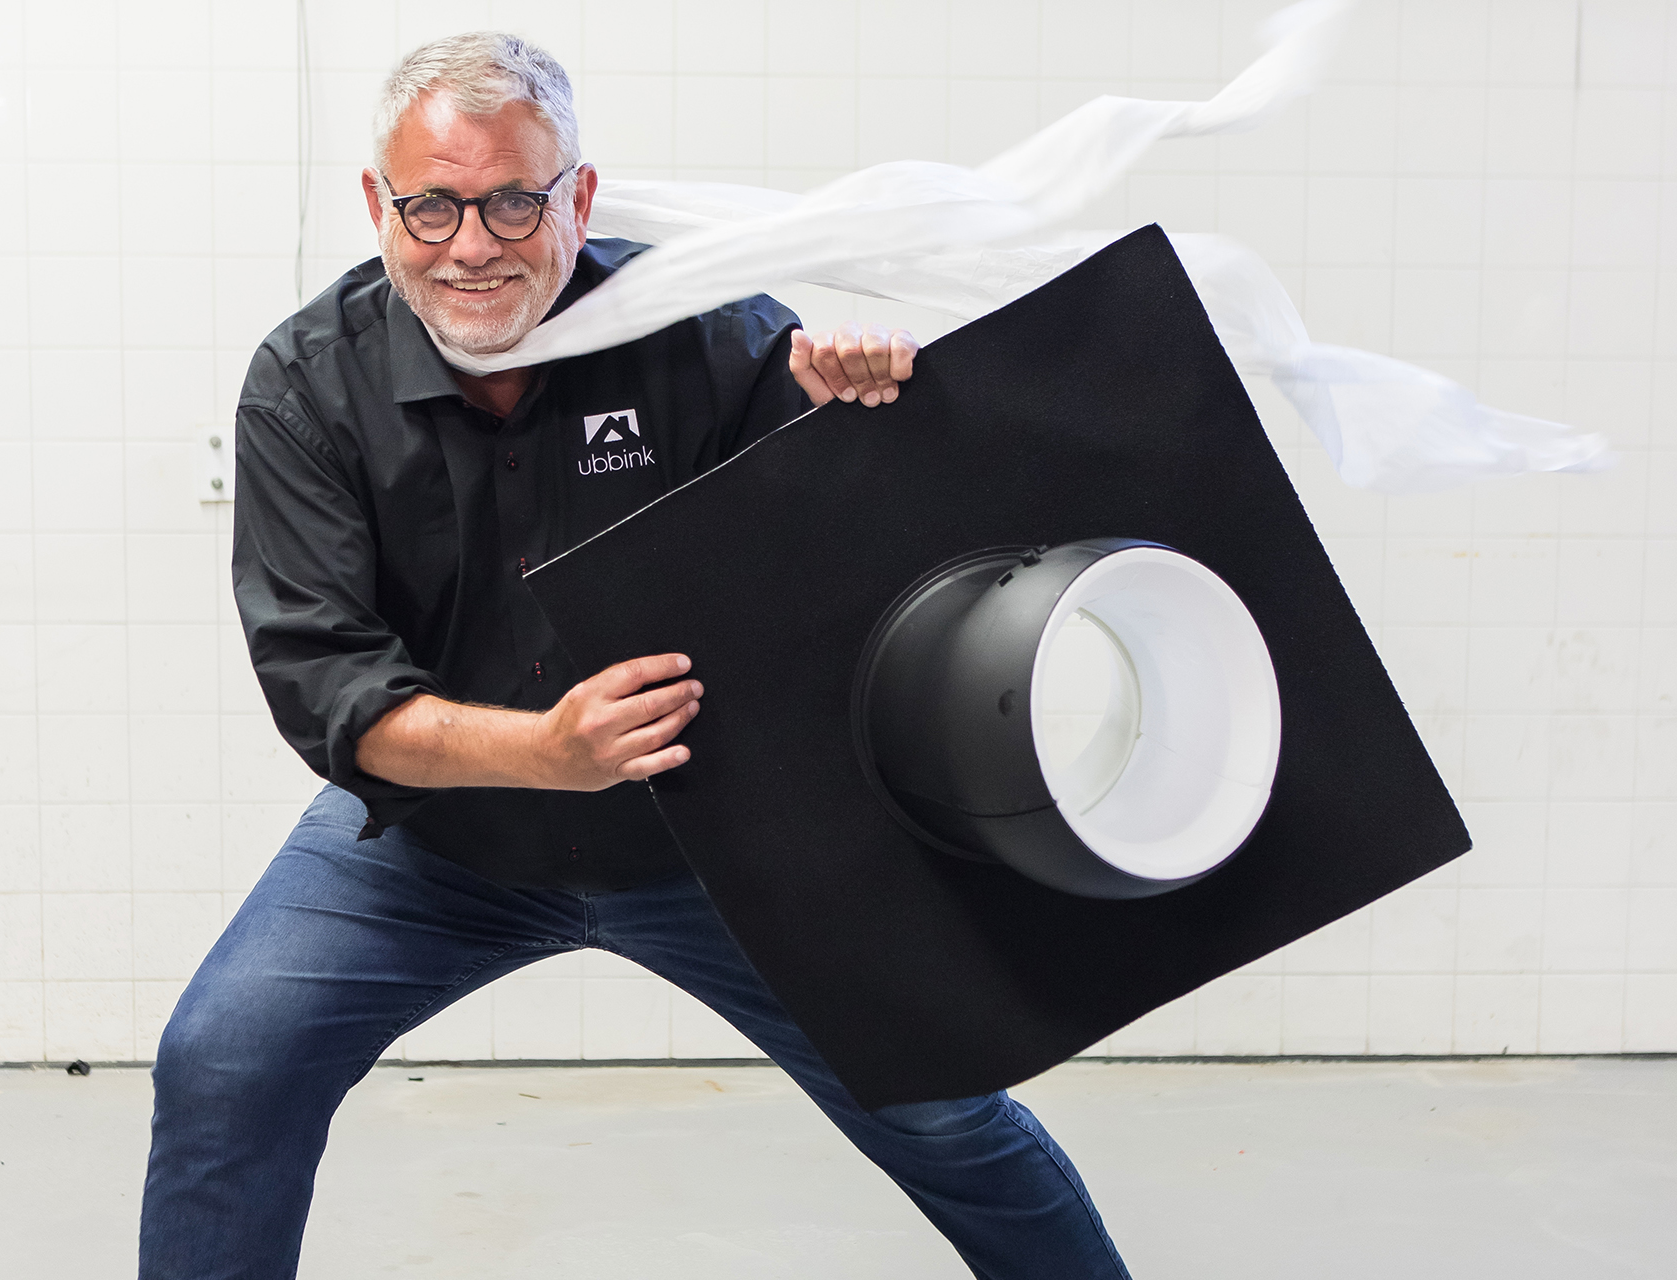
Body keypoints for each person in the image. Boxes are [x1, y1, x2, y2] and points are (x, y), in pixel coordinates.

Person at [138, 31, 1130, 1280]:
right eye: (432, 205)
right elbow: (325, 684)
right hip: (439, 839)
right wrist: (547, 752)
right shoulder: (307, 386)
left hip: (707, 829)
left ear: (580, 196)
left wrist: (857, 420)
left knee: (942, 1102)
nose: (471, 244)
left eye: (513, 200)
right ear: (379, 205)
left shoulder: (710, 334)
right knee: (223, 1059)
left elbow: (854, 578)